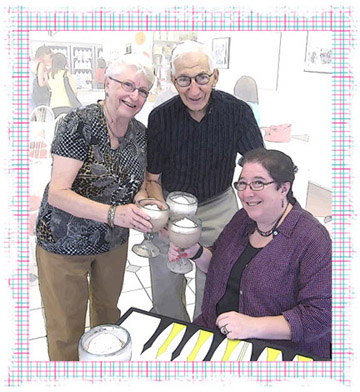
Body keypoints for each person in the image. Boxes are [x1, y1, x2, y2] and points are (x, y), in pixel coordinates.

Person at [35, 53, 156, 361]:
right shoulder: (78, 123)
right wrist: (115, 214)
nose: (135, 96)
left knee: (107, 320)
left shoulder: (140, 134)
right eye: (127, 85)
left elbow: (138, 185)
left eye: (143, 90)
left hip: (112, 243)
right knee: (66, 330)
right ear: (107, 83)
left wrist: (144, 204)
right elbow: (58, 194)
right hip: (64, 241)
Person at [169, 148, 332, 359]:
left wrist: (252, 326)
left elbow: (320, 316)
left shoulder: (312, 239)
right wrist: (196, 251)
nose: (246, 193)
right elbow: (218, 265)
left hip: (274, 351)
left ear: (283, 188)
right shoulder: (242, 219)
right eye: (242, 183)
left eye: (258, 183)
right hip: (216, 333)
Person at [146, 40, 264, 322]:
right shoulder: (160, 117)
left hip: (219, 205)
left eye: (202, 78)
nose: (194, 89)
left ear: (215, 76)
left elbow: (259, 166)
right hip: (171, 204)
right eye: (184, 80)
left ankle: (204, 339)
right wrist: (162, 219)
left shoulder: (237, 112)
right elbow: (152, 178)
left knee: (215, 284)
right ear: (173, 80)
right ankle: (171, 332)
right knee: (165, 285)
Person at [47, 52, 79, 118]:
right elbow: (75, 90)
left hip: (53, 105)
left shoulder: (49, 74)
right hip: (66, 104)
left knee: (57, 125)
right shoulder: (66, 73)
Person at [30, 45, 52, 110]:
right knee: (41, 117)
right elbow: (41, 83)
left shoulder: (32, 63)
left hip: (30, 94)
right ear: (44, 55)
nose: (50, 58)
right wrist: (49, 83)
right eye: (49, 56)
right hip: (39, 96)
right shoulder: (41, 64)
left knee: (34, 117)